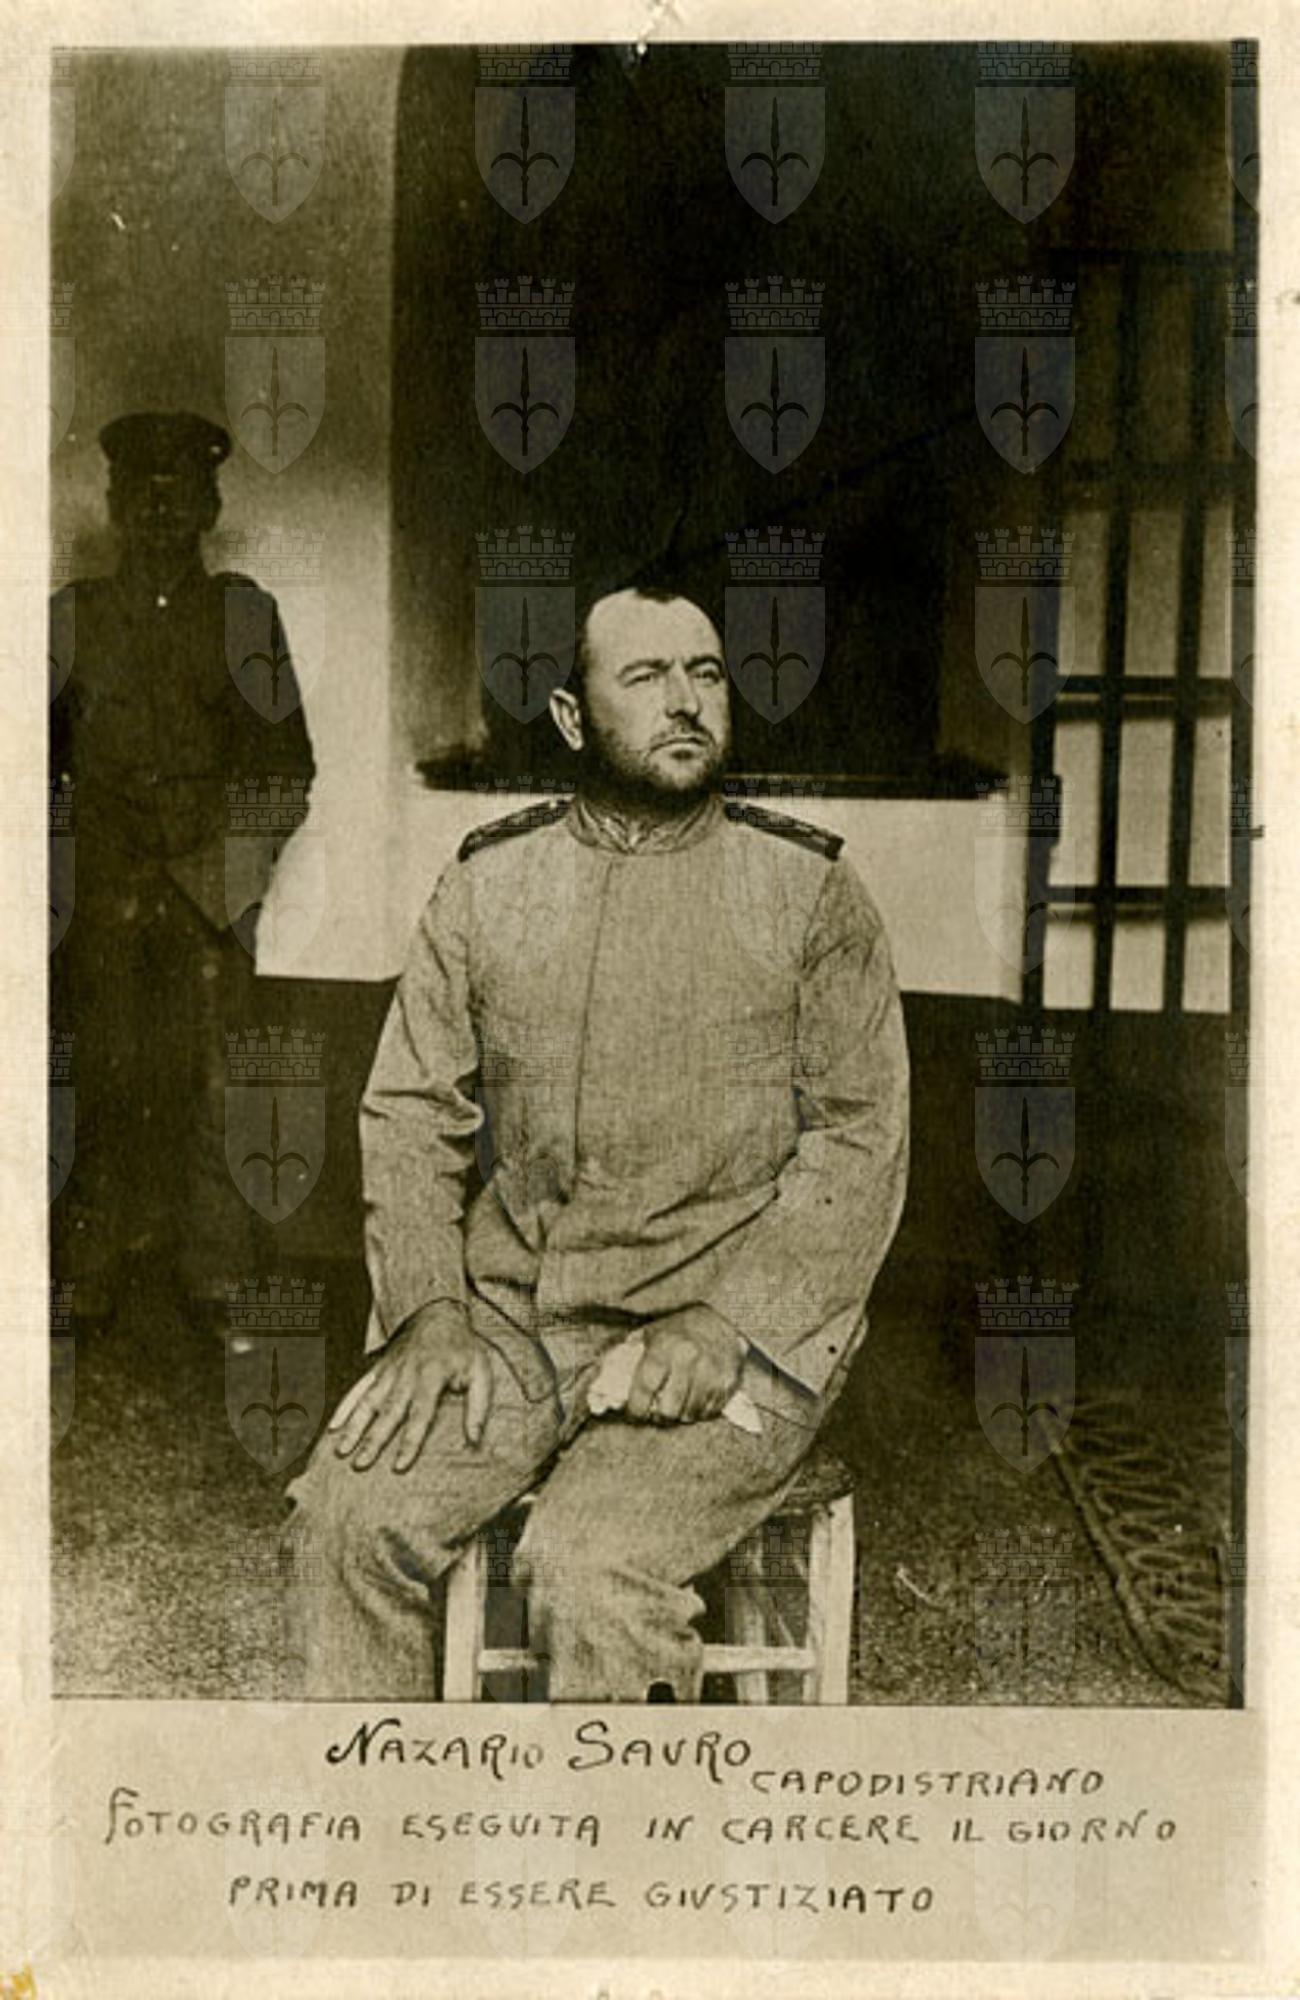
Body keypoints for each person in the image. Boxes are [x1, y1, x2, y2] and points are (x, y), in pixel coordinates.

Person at [282, 583, 908, 1702]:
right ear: (573, 718)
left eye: (705, 673)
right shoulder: (490, 882)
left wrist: (732, 1324)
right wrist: (427, 1309)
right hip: (515, 1320)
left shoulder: (808, 889)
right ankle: (380, 1813)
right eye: (646, 676)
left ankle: (616, 1821)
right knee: (344, 1521)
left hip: (732, 1329)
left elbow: (859, 1144)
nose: (686, 701)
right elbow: (411, 1109)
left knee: (588, 1568)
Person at [49, 411, 315, 1323]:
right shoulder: (72, 618)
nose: (161, 511)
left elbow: (284, 770)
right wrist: (84, 882)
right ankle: (91, 1263)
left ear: (210, 508)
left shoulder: (246, 616)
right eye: (142, 494)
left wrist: (216, 886)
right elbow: (28, 772)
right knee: (99, 1076)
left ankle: (218, 1269)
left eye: (181, 494)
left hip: (209, 897)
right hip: (102, 896)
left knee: (218, 1083)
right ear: (115, 506)